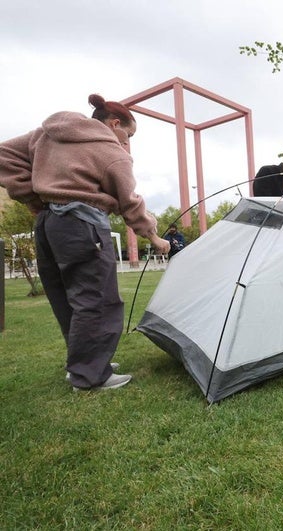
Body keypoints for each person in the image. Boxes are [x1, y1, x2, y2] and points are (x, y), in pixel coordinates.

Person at [0, 93, 170, 391]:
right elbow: (130, 203)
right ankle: (90, 377)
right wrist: (154, 236)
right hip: (83, 225)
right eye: (128, 135)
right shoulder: (111, 151)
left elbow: (4, 155)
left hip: (48, 224)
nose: (126, 143)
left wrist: (33, 195)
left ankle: (86, 364)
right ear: (114, 124)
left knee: (68, 298)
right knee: (97, 299)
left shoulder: (48, 133)